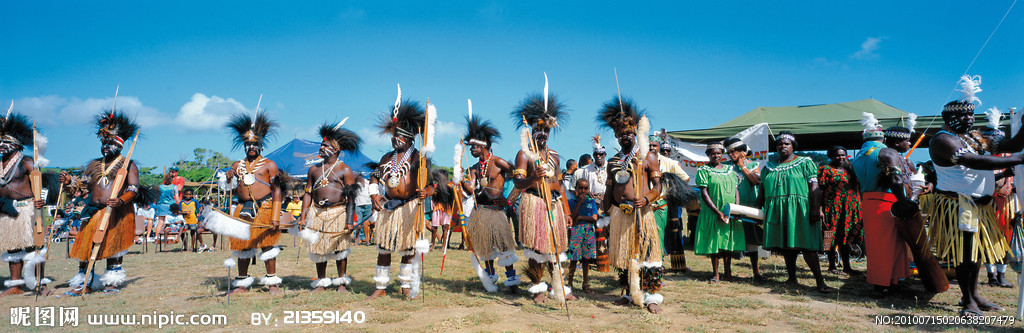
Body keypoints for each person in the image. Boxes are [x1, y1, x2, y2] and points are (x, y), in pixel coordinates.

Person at [923, 78, 1021, 316]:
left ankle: (974, 294)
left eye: (971, 114)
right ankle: (967, 301)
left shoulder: (975, 137)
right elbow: (973, 161)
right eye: (964, 116)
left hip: (979, 205)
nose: (969, 119)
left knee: (974, 253)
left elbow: (1012, 144)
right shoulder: (943, 140)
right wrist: (1018, 160)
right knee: (965, 254)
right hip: (957, 204)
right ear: (949, 119)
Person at [61, 111, 143, 296]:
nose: (106, 146)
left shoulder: (128, 165)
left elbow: (134, 188)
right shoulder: (93, 164)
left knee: (113, 246)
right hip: (93, 210)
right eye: (104, 143)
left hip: (117, 212)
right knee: (86, 246)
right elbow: (84, 186)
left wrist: (121, 200)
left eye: (111, 143)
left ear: (120, 145)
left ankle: (111, 283)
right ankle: (85, 282)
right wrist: (69, 182)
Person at [598, 97, 664, 314]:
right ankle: (628, 293)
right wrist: (604, 214)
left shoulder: (647, 156)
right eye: (621, 134)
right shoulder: (613, 161)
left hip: (642, 213)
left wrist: (646, 199)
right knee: (624, 255)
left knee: (646, 254)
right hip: (619, 214)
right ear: (617, 138)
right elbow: (609, 190)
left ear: (635, 134)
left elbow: (658, 187)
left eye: (629, 134)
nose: (625, 137)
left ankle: (650, 296)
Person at [366, 96, 435, 300]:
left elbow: (434, 183)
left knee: (408, 247)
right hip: (389, 206)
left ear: (409, 139)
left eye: (399, 137)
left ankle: (406, 285)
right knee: (384, 246)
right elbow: (374, 176)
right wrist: (374, 195)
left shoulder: (419, 158)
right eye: (393, 137)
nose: (394, 140)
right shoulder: (386, 158)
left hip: (410, 206)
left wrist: (426, 192)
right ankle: (381, 286)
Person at [511, 92, 574, 303]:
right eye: (538, 130)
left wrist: (566, 211)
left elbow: (560, 185)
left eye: (546, 130)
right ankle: (538, 288)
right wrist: (531, 178)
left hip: (554, 203)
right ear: (531, 131)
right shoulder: (523, 154)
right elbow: (517, 183)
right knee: (536, 247)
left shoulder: (554, 156)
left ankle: (559, 287)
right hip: (534, 201)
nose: (542, 134)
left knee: (555, 247)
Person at [222, 110, 285, 295]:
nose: (251, 147)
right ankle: (241, 284)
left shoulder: (269, 165)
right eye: (248, 144)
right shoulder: (237, 165)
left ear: (260, 146)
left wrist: (275, 216)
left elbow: (277, 191)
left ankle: (272, 282)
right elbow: (229, 189)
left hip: (264, 207)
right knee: (242, 245)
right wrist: (228, 178)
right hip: (242, 208)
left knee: (267, 244)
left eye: (255, 144)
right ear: (244, 146)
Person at [758, 131, 829, 293]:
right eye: (779, 144)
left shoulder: (805, 163)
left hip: (800, 209)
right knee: (787, 245)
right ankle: (792, 278)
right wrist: (757, 209)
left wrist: (816, 208)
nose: (782, 146)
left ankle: (820, 281)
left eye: (786, 144)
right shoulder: (769, 167)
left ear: (793, 146)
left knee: (807, 247)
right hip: (777, 209)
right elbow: (761, 190)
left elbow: (814, 187)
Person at [459, 113, 520, 292]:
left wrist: (510, 200)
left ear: (483, 145)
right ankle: (490, 280)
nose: (471, 150)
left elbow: (519, 179)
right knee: (485, 248)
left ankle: (512, 283)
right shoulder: (474, 168)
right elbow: (470, 190)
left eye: (474, 146)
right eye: (470, 147)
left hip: (497, 211)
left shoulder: (499, 162)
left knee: (504, 247)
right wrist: (461, 179)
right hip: (481, 212)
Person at [299, 121, 361, 293]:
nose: (321, 148)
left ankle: (341, 283)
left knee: (340, 249)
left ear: (335, 149)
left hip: (338, 213)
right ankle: (321, 282)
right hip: (317, 213)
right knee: (319, 249)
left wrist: (350, 221)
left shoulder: (344, 170)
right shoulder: (313, 169)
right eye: (321, 144)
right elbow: (308, 194)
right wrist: (303, 216)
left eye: (324, 145)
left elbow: (351, 198)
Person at [0, 113, 53, 297]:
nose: (1, 145)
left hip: (28, 209)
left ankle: (40, 283)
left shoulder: (27, 162)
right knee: (13, 248)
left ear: (16, 144)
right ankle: (15, 284)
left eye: (5, 141)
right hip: (6, 210)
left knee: (34, 247)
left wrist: (41, 198)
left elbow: (43, 183)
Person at [695, 142, 744, 283]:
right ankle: (716, 274)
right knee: (715, 243)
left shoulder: (730, 170)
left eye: (718, 153)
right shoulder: (704, 170)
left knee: (727, 243)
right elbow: (704, 194)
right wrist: (718, 213)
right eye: (712, 153)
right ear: (708, 155)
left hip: (729, 212)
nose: (716, 155)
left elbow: (735, 190)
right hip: (713, 212)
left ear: (722, 154)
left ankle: (728, 273)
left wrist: (736, 209)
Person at [724, 137, 765, 281]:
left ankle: (756, 272)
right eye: (728, 152)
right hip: (731, 206)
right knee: (729, 238)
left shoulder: (753, 164)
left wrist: (743, 166)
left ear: (742, 152)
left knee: (752, 239)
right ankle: (727, 272)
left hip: (749, 207)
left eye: (733, 151)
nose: (730, 154)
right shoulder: (726, 166)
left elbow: (756, 180)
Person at [650, 134, 692, 272]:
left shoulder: (670, 163)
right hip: (646, 205)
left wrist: (672, 191)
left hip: (663, 204)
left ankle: (659, 265)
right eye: (649, 145)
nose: (651, 148)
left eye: (654, 145)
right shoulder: (642, 162)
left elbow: (684, 178)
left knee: (662, 234)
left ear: (659, 147)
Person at [818, 146, 863, 276]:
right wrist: (820, 209)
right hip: (832, 208)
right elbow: (820, 190)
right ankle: (832, 265)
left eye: (843, 155)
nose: (841, 158)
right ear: (831, 156)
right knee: (829, 237)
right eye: (838, 155)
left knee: (845, 237)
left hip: (849, 209)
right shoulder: (825, 170)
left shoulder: (850, 169)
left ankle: (847, 267)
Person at [566, 178, 598, 293]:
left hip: (588, 232)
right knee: (573, 259)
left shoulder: (591, 201)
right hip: (575, 232)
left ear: (589, 189)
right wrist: (579, 203)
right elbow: (571, 219)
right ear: (576, 189)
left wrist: (580, 218)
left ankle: (585, 283)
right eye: (580, 188)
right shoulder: (571, 202)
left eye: (586, 188)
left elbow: (594, 217)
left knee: (586, 259)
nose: (583, 191)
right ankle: (569, 283)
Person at [579, 135, 608, 208]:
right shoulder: (587, 170)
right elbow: (582, 187)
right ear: (593, 155)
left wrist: (606, 194)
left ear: (604, 155)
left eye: (600, 154)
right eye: (596, 154)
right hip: (592, 203)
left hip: (607, 202)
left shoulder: (610, 167)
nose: (598, 156)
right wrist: (588, 192)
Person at [153, 173, 177, 244]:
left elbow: (157, 197)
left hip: (161, 205)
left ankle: (156, 238)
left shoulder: (160, 187)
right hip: (170, 206)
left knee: (160, 222)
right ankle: (169, 238)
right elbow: (177, 198)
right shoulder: (174, 187)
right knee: (169, 222)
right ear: (172, 179)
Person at [180, 188, 205, 252]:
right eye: (187, 194)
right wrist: (184, 213)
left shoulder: (194, 201)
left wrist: (199, 213)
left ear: (192, 195)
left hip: (193, 220)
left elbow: (200, 206)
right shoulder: (182, 202)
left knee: (193, 232)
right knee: (183, 233)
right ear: (184, 195)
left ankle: (192, 247)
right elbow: (178, 211)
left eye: (190, 194)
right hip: (184, 221)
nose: (188, 196)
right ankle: (185, 247)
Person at [352, 176, 374, 245]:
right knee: (358, 222)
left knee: (366, 223)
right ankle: (358, 239)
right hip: (358, 204)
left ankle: (367, 239)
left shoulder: (369, 183)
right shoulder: (355, 184)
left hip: (368, 204)